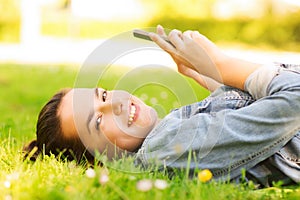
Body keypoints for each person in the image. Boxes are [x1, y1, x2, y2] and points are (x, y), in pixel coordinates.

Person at [23, 25, 300, 187]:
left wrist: (209, 78)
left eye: (104, 96)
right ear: (100, 160)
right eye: (97, 122)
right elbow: (294, 99)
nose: (116, 105)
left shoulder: (167, 138)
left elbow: (258, 120)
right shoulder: (165, 148)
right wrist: (223, 65)